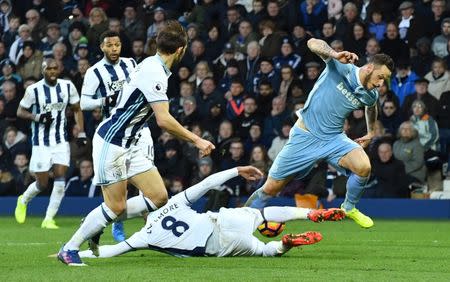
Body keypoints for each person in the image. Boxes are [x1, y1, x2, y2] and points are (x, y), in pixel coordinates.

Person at [57, 20, 215, 266]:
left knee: (158, 197)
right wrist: (197, 139)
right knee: (115, 206)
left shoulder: (154, 66)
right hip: (113, 141)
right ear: (180, 50)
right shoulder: (154, 71)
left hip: (131, 142)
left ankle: (98, 221)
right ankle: (69, 248)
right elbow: (163, 120)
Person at [245, 38, 394, 229]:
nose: (381, 83)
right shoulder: (342, 67)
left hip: (334, 139)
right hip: (305, 136)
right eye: (380, 77)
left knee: (364, 167)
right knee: (271, 188)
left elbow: (371, 107)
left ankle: (349, 208)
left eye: (385, 80)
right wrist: (334, 54)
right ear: (369, 67)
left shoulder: (370, 94)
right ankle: (241, 222)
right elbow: (312, 43)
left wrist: (371, 131)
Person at [75, 166, 344, 261]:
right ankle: (308, 214)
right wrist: (237, 170)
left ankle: (283, 245)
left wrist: (79, 251)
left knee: (265, 251)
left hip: (216, 245)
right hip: (220, 218)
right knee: (260, 213)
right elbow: (206, 184)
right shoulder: (173, 201)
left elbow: (111, 251)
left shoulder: (144, 236)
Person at [80, 30, 140, 242]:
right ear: (102, 47)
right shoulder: (94, 72)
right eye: (109, 45)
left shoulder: (131, 64)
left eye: (117, 45)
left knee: (145, 178)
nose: (114, 49)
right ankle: (115, 222)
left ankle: (151, 226)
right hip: (114, 132)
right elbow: (84, 103)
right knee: (120, 182)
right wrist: (105, 101)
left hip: (140, 129)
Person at [14, 58, 86, 229]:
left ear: (58, 70)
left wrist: (81, 131)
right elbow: (20, 111)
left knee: (60, 178)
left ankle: (48, 218)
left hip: (61, 141)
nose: (52, 72)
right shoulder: (33, 90)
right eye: (49, 69)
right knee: (43, 183)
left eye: (55, 68)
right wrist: (37, 117)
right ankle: (23, 200)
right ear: (43, 71)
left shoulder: (67, 87)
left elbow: (77, 109)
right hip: (40, 143)